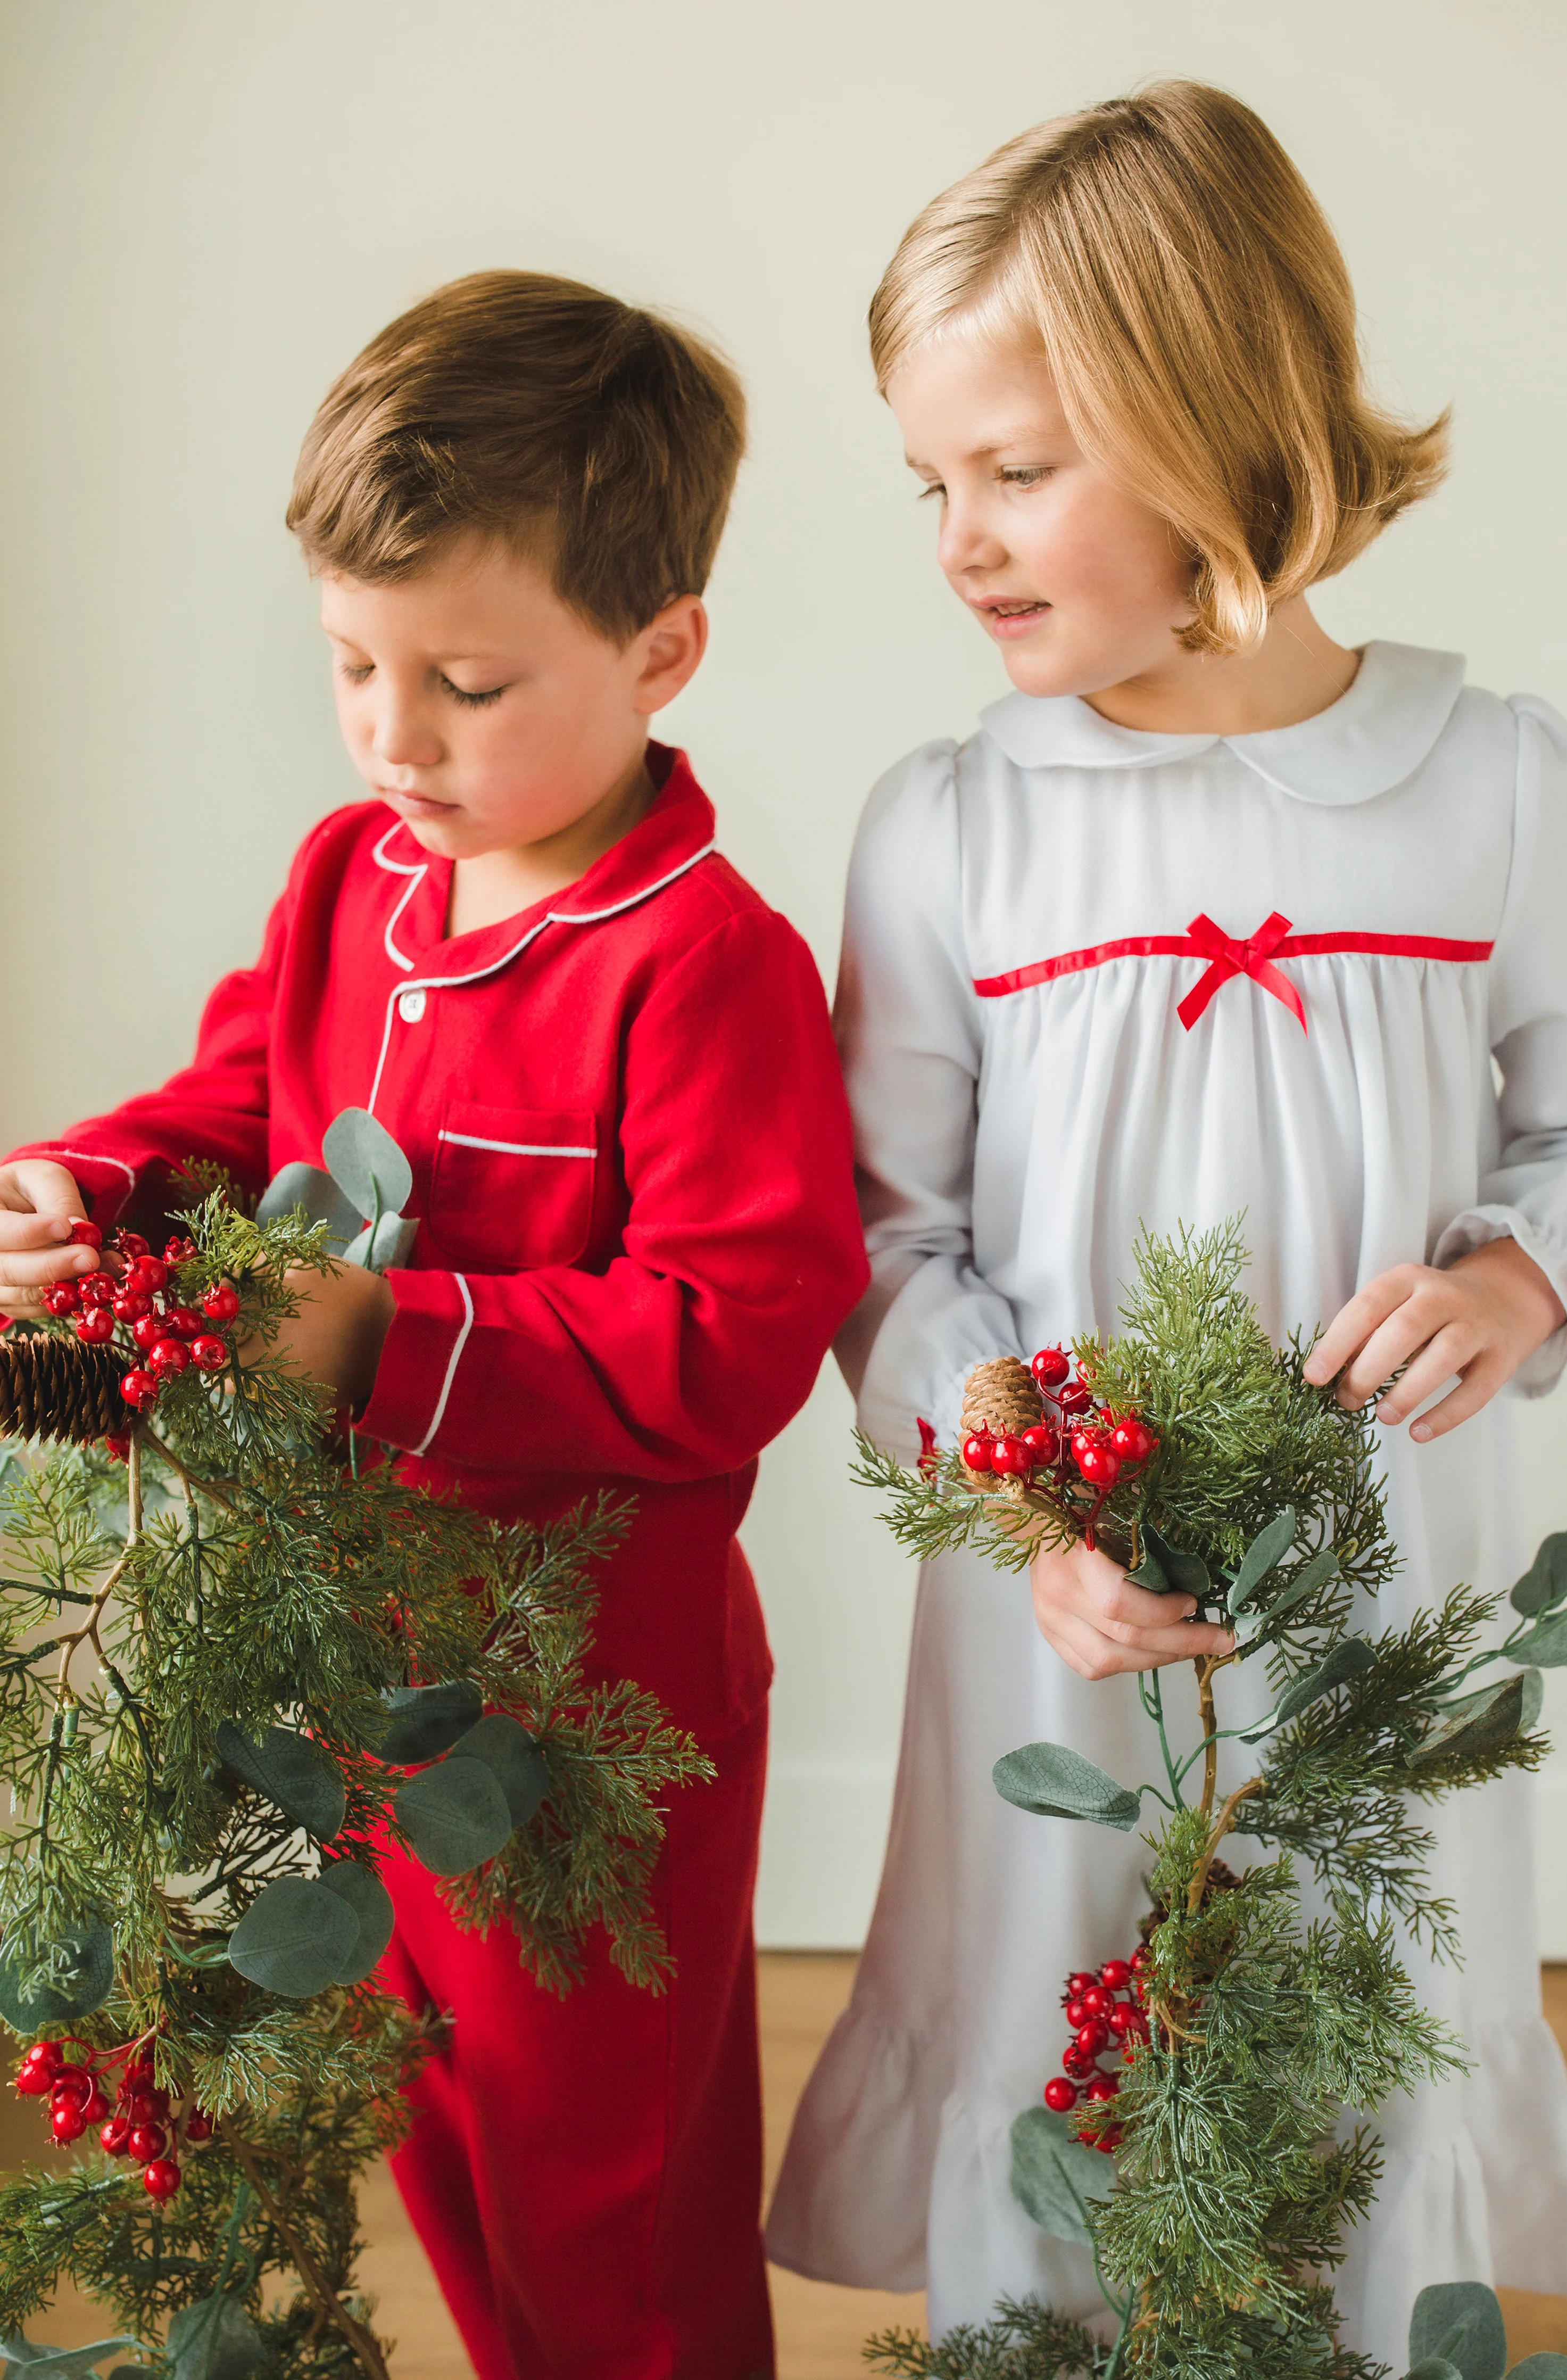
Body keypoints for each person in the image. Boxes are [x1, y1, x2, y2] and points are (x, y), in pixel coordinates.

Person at [764, 85, 1567, 2366]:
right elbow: (881, 1239)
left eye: (1013, 469)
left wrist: (1508, 1275)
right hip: (1068, 1612)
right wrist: (1019, 1492)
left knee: (1365, 1985)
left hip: (1394, 1589)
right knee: (1066, 1997)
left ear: (1209, 423)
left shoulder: (1491, 780)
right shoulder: (955, 827)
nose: (956, 538)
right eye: (930, 483)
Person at [0, 270, 868, 2380]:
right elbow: (235, 1108)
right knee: (445, 2140)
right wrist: (83, 1189)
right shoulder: (349, 883)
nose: (398, 735)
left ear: (660, 649)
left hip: (593, 1710)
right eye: (352, 666)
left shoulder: (704, 964)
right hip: (337, 1662)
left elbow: (734, 1332)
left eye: (467, 680)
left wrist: (379, 1335)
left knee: (604, 2191)